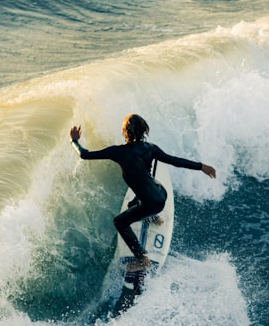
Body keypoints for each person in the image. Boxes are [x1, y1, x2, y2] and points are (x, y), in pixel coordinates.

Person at [70, 114, 216, 271]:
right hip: (161, 194)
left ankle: (142, 259)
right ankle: (153, 216)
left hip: (151, 204)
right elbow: (175, 161)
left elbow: (84, 154)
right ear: (144, 130)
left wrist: (74, 140)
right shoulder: (151, 148)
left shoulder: (118, 152)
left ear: (126, 132)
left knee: (119, 222)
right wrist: (202, 166)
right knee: (139, 191)